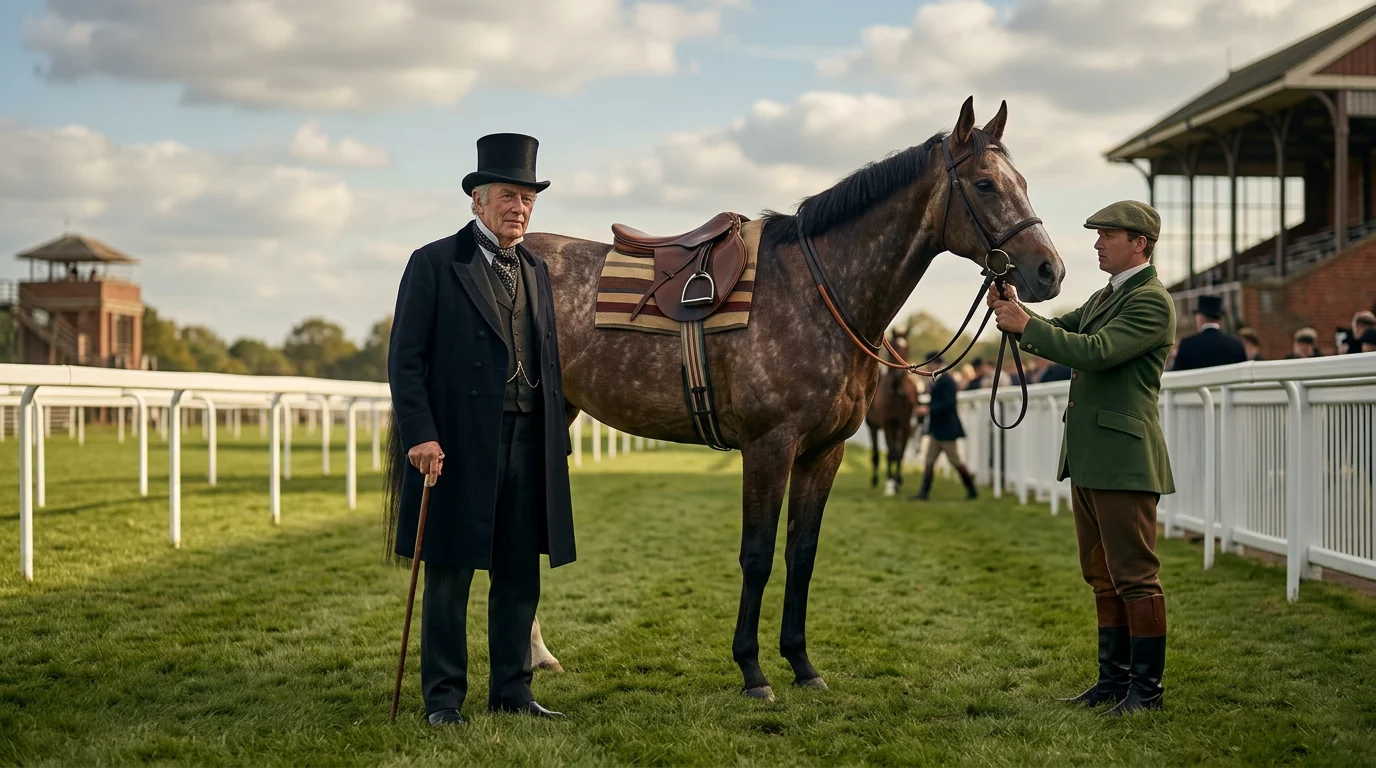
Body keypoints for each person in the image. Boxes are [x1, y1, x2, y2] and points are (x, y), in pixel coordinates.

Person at [383, 133, 575, 726]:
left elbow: (547, 358)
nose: (520, 208)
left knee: (518, 572)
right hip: (458, 444)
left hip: (527, 439)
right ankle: (443, 700)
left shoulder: (537, 269)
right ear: (477, 201)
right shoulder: (435, 262)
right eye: (509, 197)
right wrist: (419, 432)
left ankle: (512, 693)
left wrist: (556, 441)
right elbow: (404, 357)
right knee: (449, 572)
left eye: (528, 199)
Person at [988, 200, 1175, 715]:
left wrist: (1025, 325)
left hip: (1125, 457)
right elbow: (1059, 331)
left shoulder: (1151, 301)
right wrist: (1015, 308)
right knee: (1101, 573)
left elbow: (1094, 349)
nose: (1096, 244)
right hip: (1093, 456)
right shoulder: (1105, 295)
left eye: (1107, 236)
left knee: (1135, 574)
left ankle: (1147, 692)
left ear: (1138, 243)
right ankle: (1113, 683)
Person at [910, 352, 979, 501]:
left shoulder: (947, 380)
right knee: (929, 461)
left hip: (947, 429)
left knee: (956, 461)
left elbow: (949, 403)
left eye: (929, 363)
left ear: (936, 364)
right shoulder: (939, 380)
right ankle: (924, 492)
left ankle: (971, 489)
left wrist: (929, 409)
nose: (928, 366)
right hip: (937, 429)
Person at [1170, 295, 1246, 371]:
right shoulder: (1236, 344)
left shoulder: (1187, 344)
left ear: (1199, 317)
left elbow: (1175, 375)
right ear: (1219, 318)